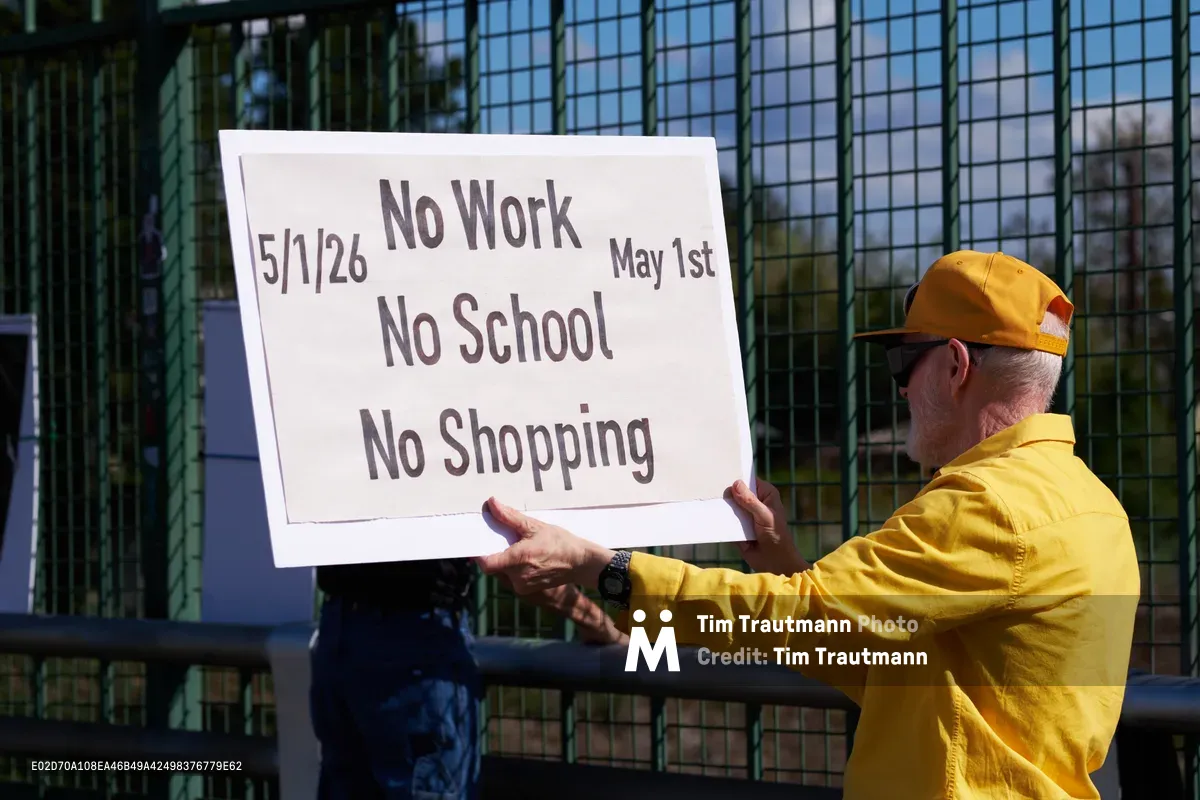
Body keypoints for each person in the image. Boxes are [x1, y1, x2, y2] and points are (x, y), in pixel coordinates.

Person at [474, 251, 1142, 800]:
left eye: (903, 363)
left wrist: (602, 568)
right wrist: (783, 563)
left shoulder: (987, 505)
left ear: (958, 365)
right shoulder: (1094, 508)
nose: (901, 388)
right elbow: (900, 669)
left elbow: (804, 617)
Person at [310, 556, 625, 800]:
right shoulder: (437, 471)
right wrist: (595, 620)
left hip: (338, 635)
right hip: (415, 642)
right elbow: (514, 562)